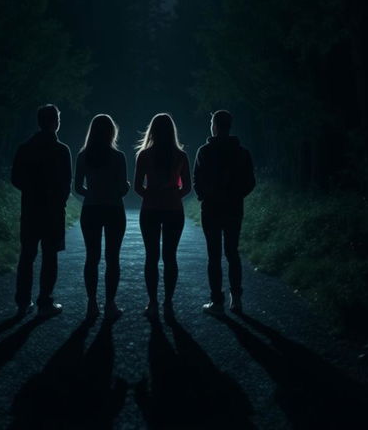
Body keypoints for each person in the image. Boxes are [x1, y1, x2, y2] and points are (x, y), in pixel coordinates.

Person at [11, 104, 72, 318]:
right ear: (55, 122)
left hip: (30, 209)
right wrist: (58, 200)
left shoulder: (25, 148)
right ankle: (45, 301)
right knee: (49, 256)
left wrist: (32, 190)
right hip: (53, 212)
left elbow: (15, 179)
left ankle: (23, 301)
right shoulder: (62, 150)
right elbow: (67, 183)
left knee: (27, 255)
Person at [193, 109, 255, 315]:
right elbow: (250, 182)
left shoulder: (204, 151)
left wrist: (205, 195)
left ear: (214, 125)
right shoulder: (242, 152)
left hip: (210, 209)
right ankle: (236, 299)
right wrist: (236, 195)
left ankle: (217, 302)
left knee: (214, 255)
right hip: (234, 208)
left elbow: (197, 179)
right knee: (232, 252)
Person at [134, 113, 191, 319]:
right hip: (174, 210)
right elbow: (187, 188)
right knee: (170, 257)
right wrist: (173, 194)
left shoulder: (144, 155)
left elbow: (137, 186)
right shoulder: (181, 155)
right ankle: (168, 302)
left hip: (150, 209)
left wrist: (151, 194)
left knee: (151, 257)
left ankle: (153, 302)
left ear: (152, 131)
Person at [75, 114, 129, 321]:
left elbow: (78, 187)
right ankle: (110, 304)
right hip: (114, 209)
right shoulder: (118, 157)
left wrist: (93, 192)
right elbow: (123, 189)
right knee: (112, 258)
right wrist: (119, 189)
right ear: (111, 132)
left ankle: (91, 303)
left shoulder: (83, 156)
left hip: (91, 210)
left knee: (92, 257)